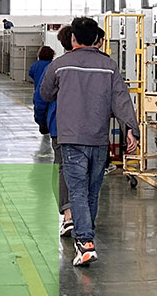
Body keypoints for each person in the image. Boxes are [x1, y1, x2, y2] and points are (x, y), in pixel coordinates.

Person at [40, 16, 137, 268]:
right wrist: (130, 130)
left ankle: (85, 242)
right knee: (92, 191)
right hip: (98, 139)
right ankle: (86, 236)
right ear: (97, 39)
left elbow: (45, 93)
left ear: (73, 38)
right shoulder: (109, 66)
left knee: (78, 191)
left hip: (71, 138)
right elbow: (122, 100)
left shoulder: (60, 65)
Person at [50, 25, 76, 235]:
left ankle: (68, 216)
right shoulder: (99, 65)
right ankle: (82, 216)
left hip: (59, 127)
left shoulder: (57, 66)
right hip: (87, 129)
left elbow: (43, 97)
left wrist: (43, 121)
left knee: (62, 168)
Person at [29, 45, 55, 147]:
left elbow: (30, 73)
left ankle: (42, 125)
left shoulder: (35, 65)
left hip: (38, 91)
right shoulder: (52, 65)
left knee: (41, 108)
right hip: (50, 94)